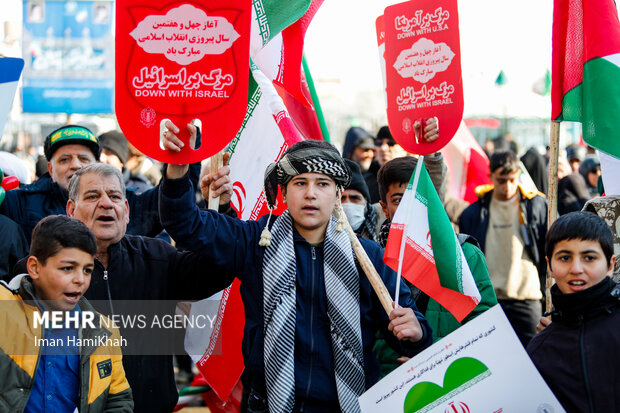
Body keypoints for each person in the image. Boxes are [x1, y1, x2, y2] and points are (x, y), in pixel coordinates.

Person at [159, 123, 433, 413]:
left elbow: (406, 332)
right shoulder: (255, 241)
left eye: (323, 184)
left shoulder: (369, 257)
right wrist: (178, 165)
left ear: (337, 195)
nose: (311, 194)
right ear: (284, 193)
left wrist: (417, 333)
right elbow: (183, 222)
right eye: (300, 183)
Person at [62, 163, 235, 413]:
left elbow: (215, 272)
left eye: (114, 196)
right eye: (92, 196)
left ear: (126, 210)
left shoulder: (156, 256)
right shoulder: (48, 271)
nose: (106, 204)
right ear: (71, 210)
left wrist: (221, 210)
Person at [372, 156, 497, 375]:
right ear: (384, 207)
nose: (409, 207)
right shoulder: (375, 259)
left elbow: (485, 326)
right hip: (390, 384)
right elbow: (369, 334)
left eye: (418, 198)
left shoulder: (465, 255)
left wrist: (429, 353)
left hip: (452, 379)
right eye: (398, 200)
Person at [0, 215, 133, 412]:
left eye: (87, 270)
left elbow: (119, 400)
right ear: (35, 268)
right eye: (68, 268)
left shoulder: (105, 332)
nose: (80, 279)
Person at [0, 124, 199, 244]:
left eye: (83, 159)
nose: (75, 165)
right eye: (64, 159)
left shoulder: (127, 203)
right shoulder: (19, 203)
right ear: (50, 170)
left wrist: (188, 151)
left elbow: (172, 198)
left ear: (97, 165)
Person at [527, 212, 620, 412]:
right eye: (565, 257)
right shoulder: (540, 351)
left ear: (610, 264)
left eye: (589, 257)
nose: (576, 268)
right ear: (549, 265)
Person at [459, 150, 547, 347]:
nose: (507, 186)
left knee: (535, 354)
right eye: (501, 180)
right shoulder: (472, 213)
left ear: (518, 176)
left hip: (528, 296)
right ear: (490, 177)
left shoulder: (538, 206)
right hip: (489, 299)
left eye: (512, 180)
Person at [99, 130, 152, 194]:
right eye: (99, 153)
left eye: (108, 153)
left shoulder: (141, 191)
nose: (101, 158)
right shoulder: (87, 186)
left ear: (121, 161)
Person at [342, 159, 379, 242]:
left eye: (355, 198)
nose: (347, 203)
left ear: (366, 203)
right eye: (342, 199)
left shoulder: (382, 230)